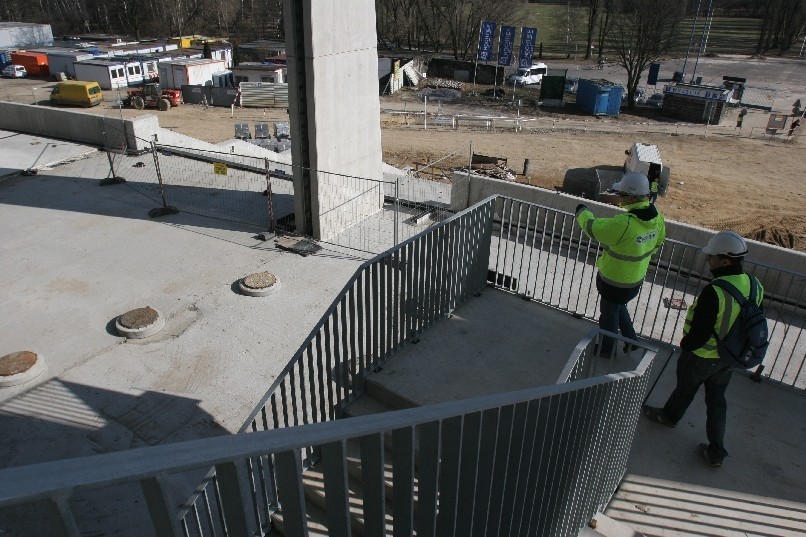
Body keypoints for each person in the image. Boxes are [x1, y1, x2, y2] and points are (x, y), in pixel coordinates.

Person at [643, 231, 763, 468]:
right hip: (728, 358)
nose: (709, 260)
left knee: (684, 391)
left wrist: (685, 344)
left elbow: (699, 334)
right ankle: (716, 451)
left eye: (712, 257)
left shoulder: (715, 291)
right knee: (717, 401)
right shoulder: (754, 285)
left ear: (725, 261)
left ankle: (669, 417)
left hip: (701, 357)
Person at [575, 172, 666, 357]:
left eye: (621, 194)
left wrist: (582, 212)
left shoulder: (624, 223)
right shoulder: (658, 219)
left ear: (632, 196)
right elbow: (658, 243)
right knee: (618, 306)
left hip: (614, 280)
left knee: (609, 315)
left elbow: (593, 228)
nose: (619, 197)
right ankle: (631, 341)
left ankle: (606, 350)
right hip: (635, 280)